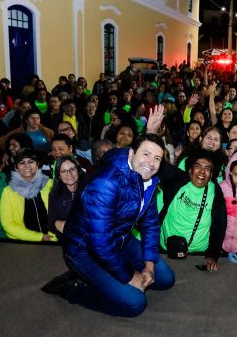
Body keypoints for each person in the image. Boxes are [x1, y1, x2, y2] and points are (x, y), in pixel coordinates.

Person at [43, 134, 175, 318]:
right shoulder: (105, 183)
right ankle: (71, 289)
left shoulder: (149, 181)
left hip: (121, 240)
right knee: (135, 303)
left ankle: (111, 275)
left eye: (157, 158)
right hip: (85, 250)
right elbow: (100, 243)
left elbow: (151, 225)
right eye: (146, 154)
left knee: (165, 279)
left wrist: (149, 265)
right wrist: (130, 277)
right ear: (131, 154)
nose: (151, 163)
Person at [159, 149, 227, 271]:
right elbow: (155, 162)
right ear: (190, 170)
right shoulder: (177, 180)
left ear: (211, 174)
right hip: (164, 250)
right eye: (198, 166)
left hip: (198, 255)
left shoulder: (215, 191)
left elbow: (219, 225)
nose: (202, 171)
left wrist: (212, 255)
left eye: (207, 168)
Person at [0, 148, 56, 242]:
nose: (27, 166)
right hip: (23, 242)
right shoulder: (8, 192)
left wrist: (52, 237)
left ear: (37, 165)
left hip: (53, 239)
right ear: (16, 167)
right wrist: (39, 237)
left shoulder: (51, 184)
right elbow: (8, 224)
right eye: (21, 163)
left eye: (31, 162)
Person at [47, 155, 83, 238]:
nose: (69, 174)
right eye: (63, 171)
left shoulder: (89, 189)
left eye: (72, 169)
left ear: (78, 170)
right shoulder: (54, 194)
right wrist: (61, 225)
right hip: (66, 240)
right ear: (59, 176)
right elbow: (51, 225)